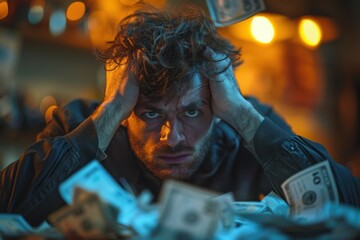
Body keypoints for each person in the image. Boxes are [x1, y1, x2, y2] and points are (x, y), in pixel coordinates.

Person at [1, 4, 360, 227]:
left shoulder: (250, 130)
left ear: (217, 107)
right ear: (127, 109)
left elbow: (349, 206)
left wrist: (239, 112)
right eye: (151, 113)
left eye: (192, 111)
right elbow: (8, 208)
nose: (173, 137)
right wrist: (110, 112)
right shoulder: (82, 122)